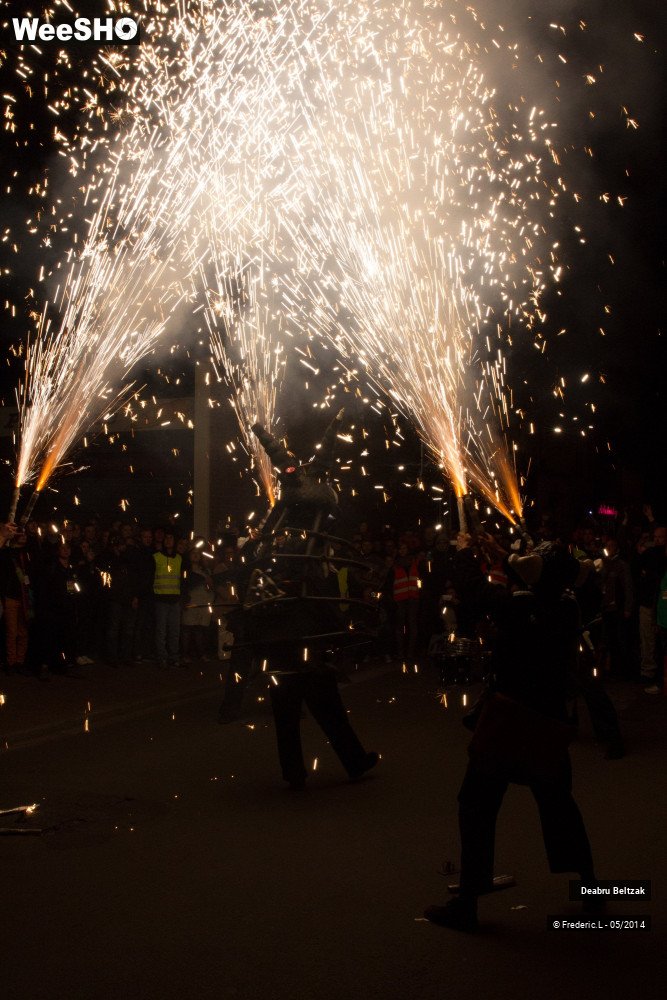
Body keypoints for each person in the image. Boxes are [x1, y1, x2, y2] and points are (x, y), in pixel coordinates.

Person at [424, 535, 599, 932]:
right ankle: (592, 890)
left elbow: (473, 590)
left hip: (509, 722)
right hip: (549, 722)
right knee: (559, 806)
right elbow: (530, 588)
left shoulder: (517, 606)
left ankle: (467, 904)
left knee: (476, 805)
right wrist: (501, 554)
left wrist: (464, 551)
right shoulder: (567, 606)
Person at [153, 531, 183, 669]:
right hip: (161, 599)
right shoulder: (156, 557)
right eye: (166, 537)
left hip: (174, 599)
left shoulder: (179, 558)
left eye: (171, 537)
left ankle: (173, 657)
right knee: (161, 631)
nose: (168, 540)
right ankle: (162, 658)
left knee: (174, 631)